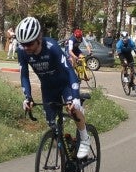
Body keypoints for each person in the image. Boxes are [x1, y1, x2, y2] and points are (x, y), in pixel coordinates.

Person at [14, 16, 92, 158]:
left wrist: (75, 97)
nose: (25, 47)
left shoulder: (51, 46)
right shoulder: (22, 51)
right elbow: (24, 75)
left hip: (65, 84)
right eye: (22, 44)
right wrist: (28, 97)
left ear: (39, 38)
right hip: (48, 88)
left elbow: (69, 70)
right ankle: (66, 161)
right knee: (52, 126)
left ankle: (85, 138)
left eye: (29, 44)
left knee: (73, 110)